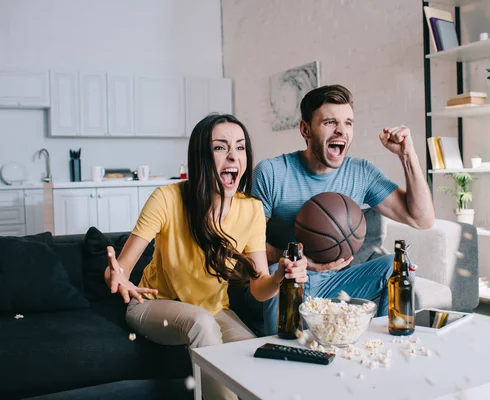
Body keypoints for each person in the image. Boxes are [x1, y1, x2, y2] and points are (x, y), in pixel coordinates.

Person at [103, 114, 308, 400]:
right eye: (220, 147)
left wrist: (279, 276)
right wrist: (116, 276)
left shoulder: (251, 210)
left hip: (214, 309)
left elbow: (259, 289)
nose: (233, 156)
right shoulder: (167, 198)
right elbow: (119, 269)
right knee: (200, 323)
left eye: (240, 147)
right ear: (201, 157)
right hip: (151, 305)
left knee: (254, 360)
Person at [250, 84, 435, 336]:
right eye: (329, 122)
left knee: (397, 265)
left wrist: (407, 154)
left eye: (348, 123)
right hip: (291, 281)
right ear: (306, 129)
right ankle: (278, 353)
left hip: (338, 283)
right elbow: (250, 247)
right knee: (282, 274)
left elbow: (422, 219)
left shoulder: (361, 172)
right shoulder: (271, 173)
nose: (341, 130)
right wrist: (297, 261)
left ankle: (379, 348)